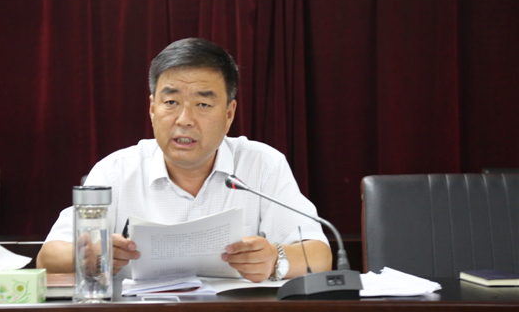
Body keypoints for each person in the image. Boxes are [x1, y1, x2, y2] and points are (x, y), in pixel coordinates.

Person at [37, 38, 332, 282]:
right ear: (152, 108)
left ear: (229, 113)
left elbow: (320, 257)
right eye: (171, 102)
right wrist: (91, 254)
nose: (184, 119)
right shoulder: (115, 171)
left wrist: (275, 259)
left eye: (203, 104)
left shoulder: (262, 165)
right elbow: (47, 258)